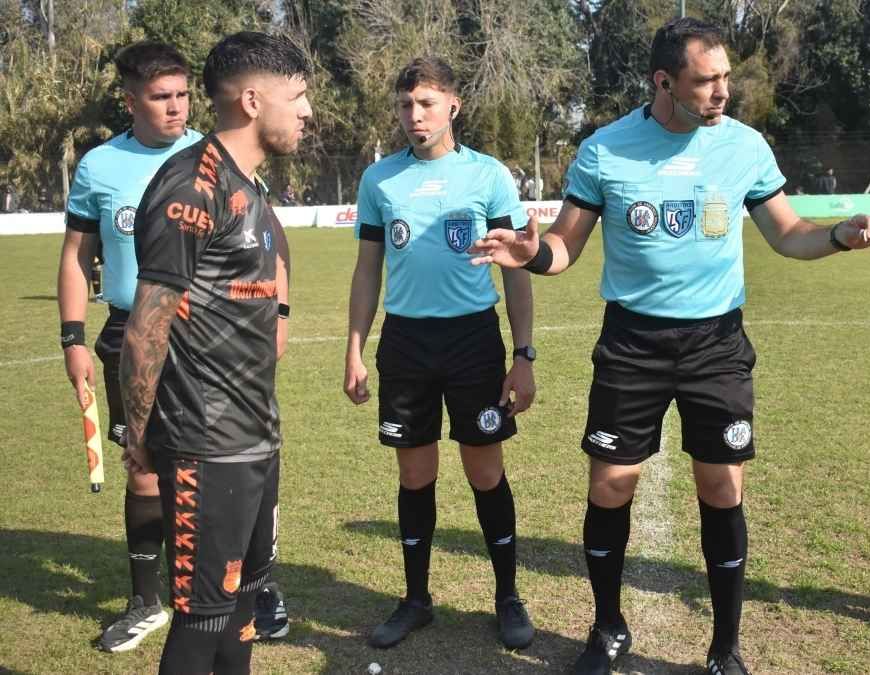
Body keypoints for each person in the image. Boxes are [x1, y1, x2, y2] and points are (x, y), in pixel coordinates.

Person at [469, 17, 870, 675]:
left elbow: (788, 233)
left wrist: (841, 234)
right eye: (707, 82)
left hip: (715, 344)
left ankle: (726, 644)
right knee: (612, 484)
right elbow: (564, 248)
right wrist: (531, 253)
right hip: (632, 343)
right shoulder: (605, 150)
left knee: (723, 484)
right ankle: (609, 626)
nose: (722, 92)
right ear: (663, 82)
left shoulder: (745, 147)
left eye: (725, 78)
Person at [119, 31, 308, 673]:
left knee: (244, 613)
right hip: (206, 442)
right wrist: (140, 433)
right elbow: (147, 325)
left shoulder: (246, 185)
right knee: (201, 623)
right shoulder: (190, 186)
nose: (307, 111)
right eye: (299, 95)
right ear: (254, 101)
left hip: (255, 435)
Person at [343, 56, 537, 652]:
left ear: (452, 105)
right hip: (405, 342)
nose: (413, 115)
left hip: (473, 340)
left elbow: (518, 270)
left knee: (484, 470)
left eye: (425, 103)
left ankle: (507, 596)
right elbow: (368, 269)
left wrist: (524, 354)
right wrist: (355, 348)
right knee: (414, 472)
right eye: (405, 104)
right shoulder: (380, 181)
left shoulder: (488, 176)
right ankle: (416, 599)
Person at [56, 41, 204, 654]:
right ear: (131, 101)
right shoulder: (98, 166)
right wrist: (73, 339)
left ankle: (240, 587)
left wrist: (273, 313)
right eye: (160, 97)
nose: (175, 108)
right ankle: (146, 600)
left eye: (182, 95)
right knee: (142, 468)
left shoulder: (211, 154)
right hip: (125, 332)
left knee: (215, 466)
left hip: (204, 333)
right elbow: (74, 257)